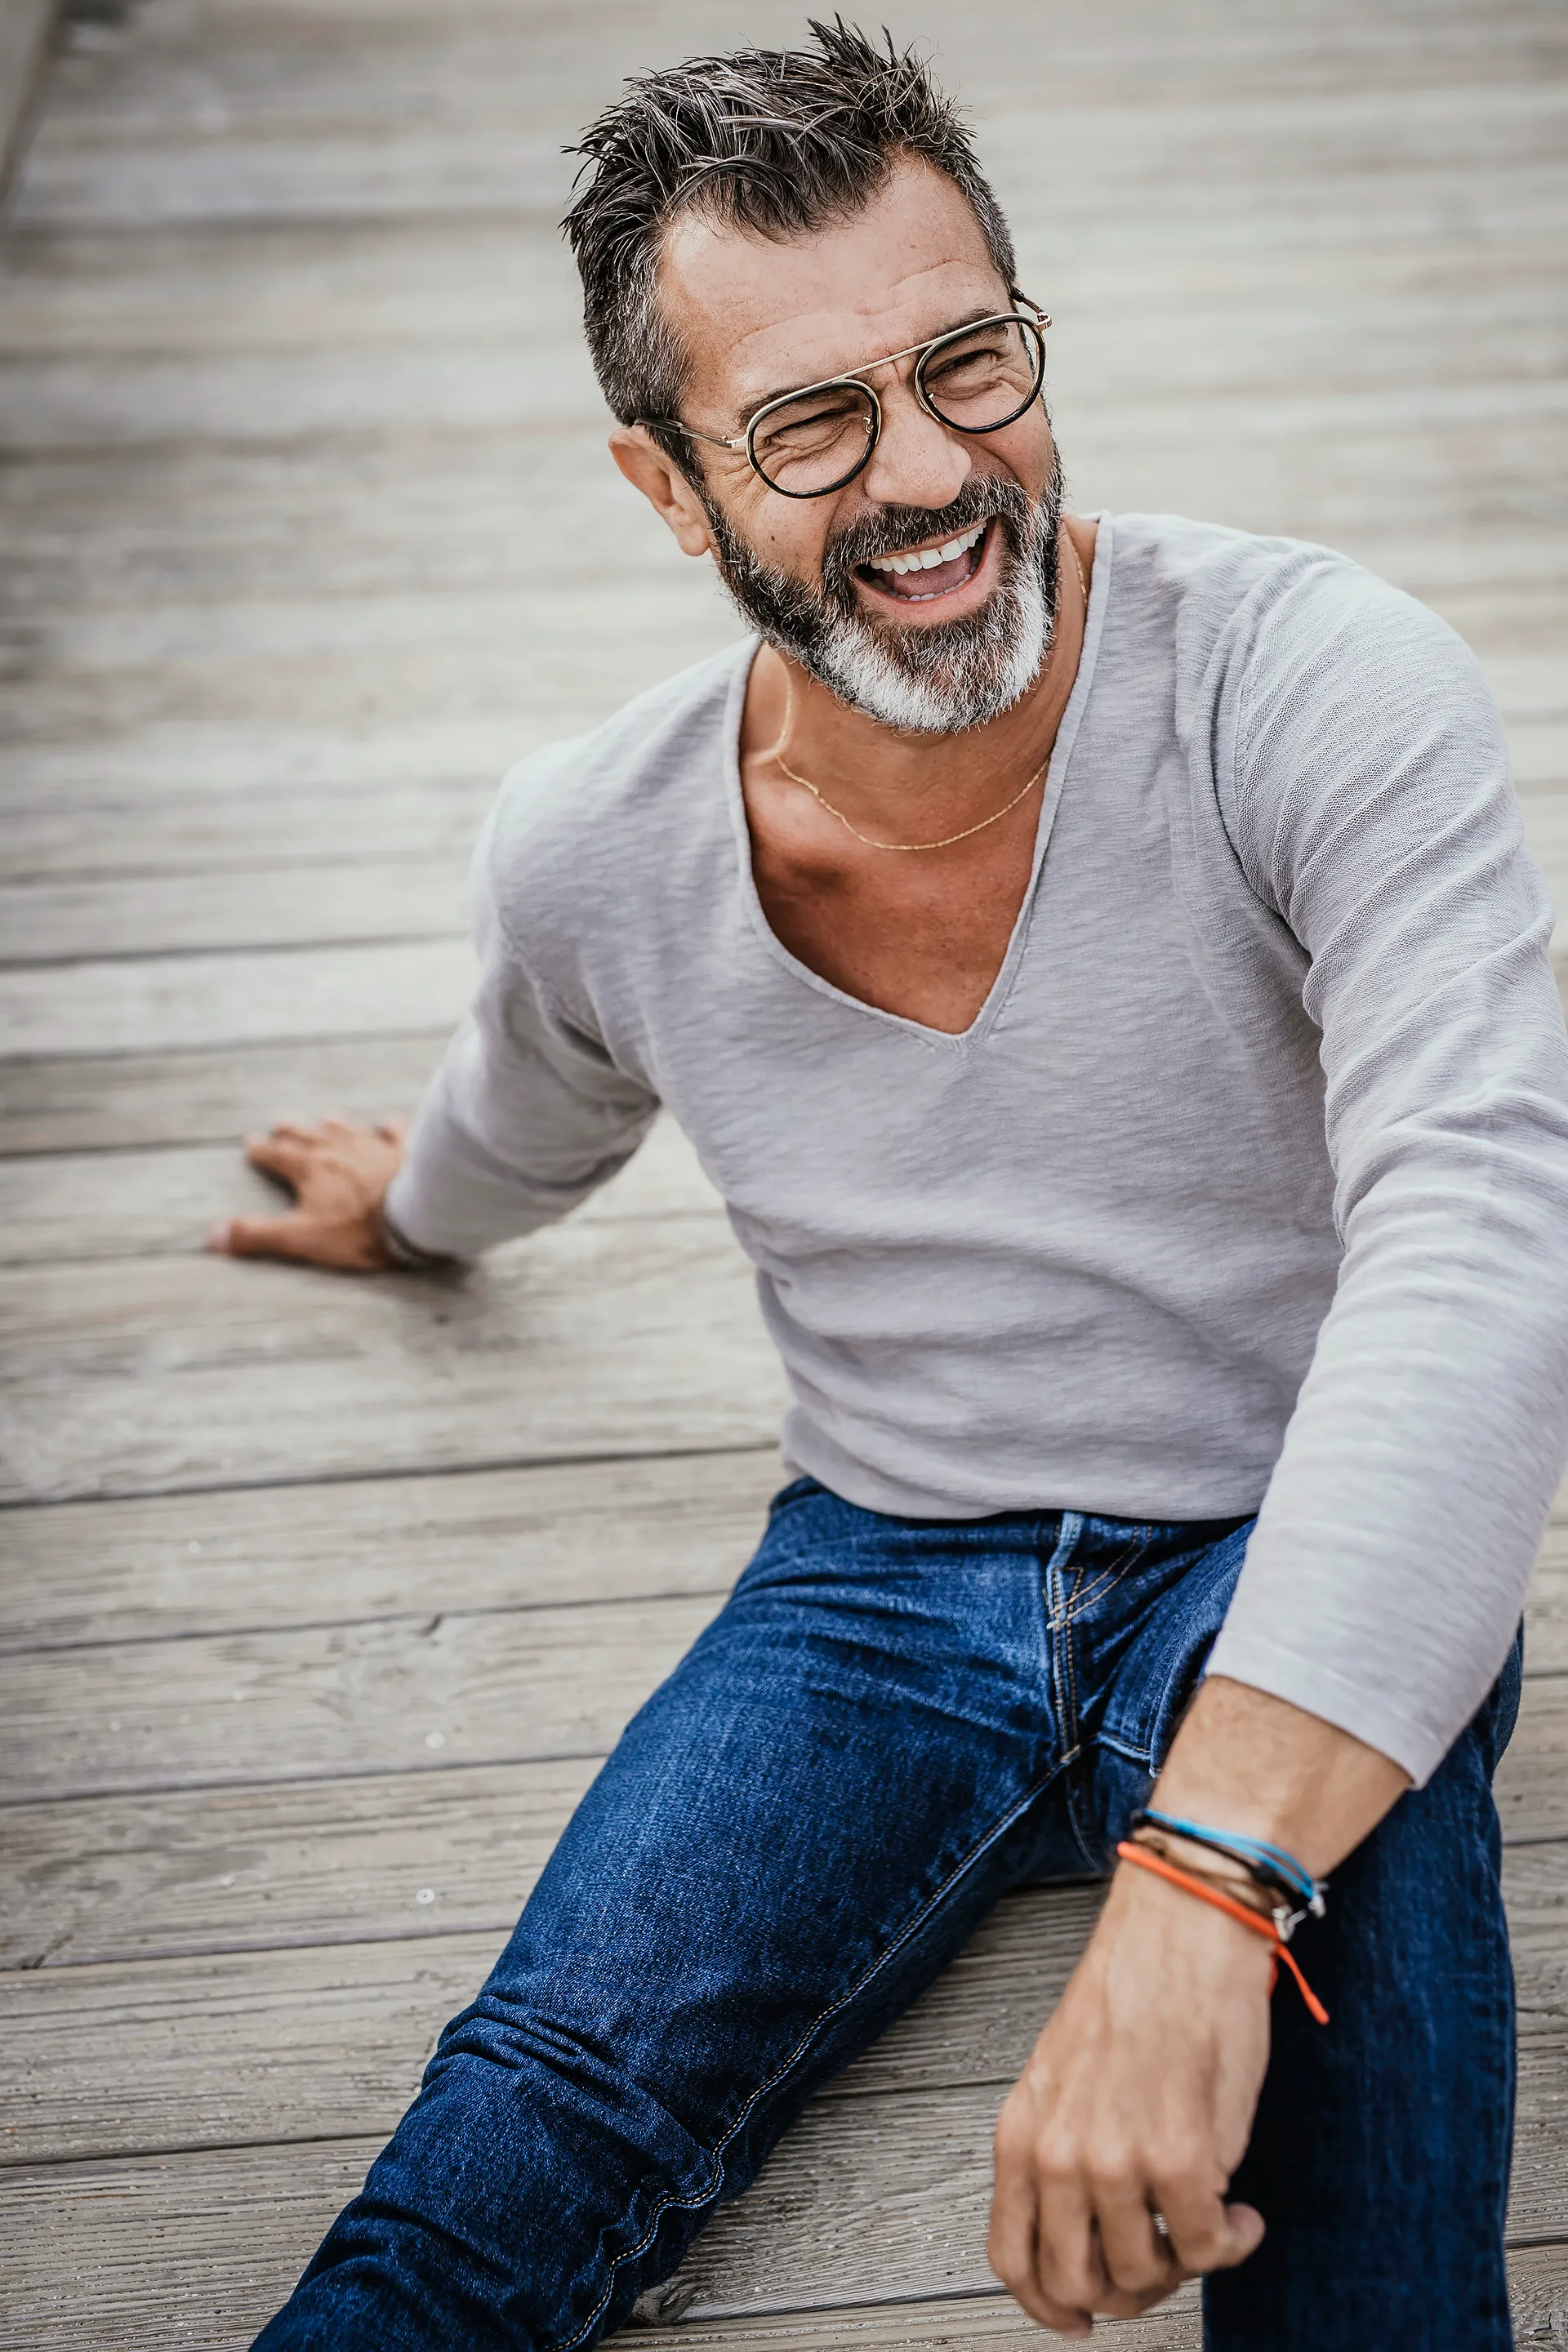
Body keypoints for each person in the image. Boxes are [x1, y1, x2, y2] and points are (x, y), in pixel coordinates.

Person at [225, 23, 1568, 2350]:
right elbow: (524, 1106)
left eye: (973, 363)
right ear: (668, 485)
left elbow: (1481, 1246)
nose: (936, 474)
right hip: (874, 1567)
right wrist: (414, 1216)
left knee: (1370, 2267)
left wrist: (1214, 1877)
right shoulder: (592, 846)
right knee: (507, 2152)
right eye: (815, 421)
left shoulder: (1318, 684)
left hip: (1297, 1526)